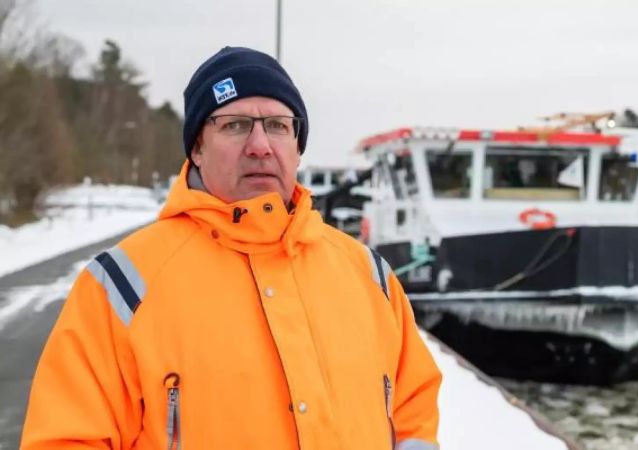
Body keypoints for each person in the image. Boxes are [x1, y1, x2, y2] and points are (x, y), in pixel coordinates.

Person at [21, 46, 441, 450]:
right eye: (235, 124)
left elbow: (414, 405)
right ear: (197, 148)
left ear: (297, 147)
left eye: (278, 125)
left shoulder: (367, 275)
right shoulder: (124, 286)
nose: (260, 145)